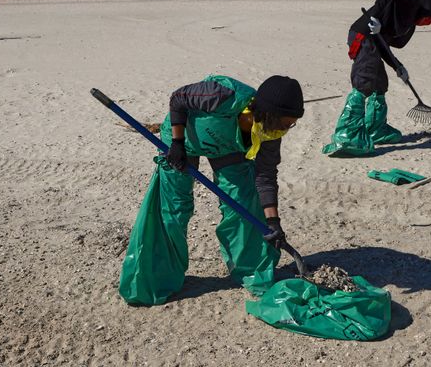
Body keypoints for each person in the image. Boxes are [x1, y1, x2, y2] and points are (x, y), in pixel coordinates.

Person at [119, 74, 304, 306]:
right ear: (268, 112)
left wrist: (273, 222)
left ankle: (250, 272)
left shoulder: (270, 133)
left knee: (243, 201)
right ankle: (156, 279)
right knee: (174, 208)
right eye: (285, 123)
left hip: (227, 147)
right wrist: (176, 143)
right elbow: (179, 98)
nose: (286, 130)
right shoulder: (224, 95)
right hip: (184, 138)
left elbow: (265, 177)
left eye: (291, 125)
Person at [323, 0, 431, 156]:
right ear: (426, 12)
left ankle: (375, 129)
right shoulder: (411, 1)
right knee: (364, 82)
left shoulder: (408, 27)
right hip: (362, 36)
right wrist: (375, 17)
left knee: (380, 85)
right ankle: (348, 136)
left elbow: (384, 45)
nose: (428, 24)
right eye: (430, 19)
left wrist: (398, 67)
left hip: (373, 42)